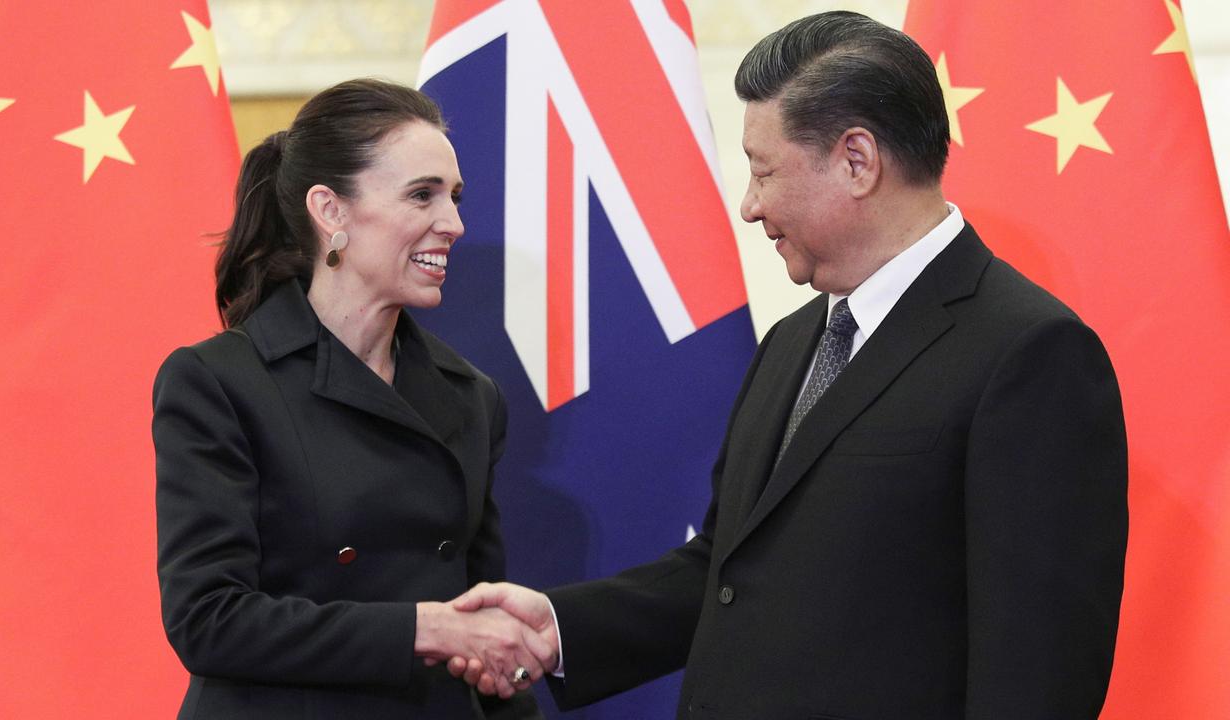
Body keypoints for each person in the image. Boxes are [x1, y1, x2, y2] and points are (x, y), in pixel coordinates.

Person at [447, 11, 1128, 719]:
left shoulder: (1029, 353)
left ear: (857, 161)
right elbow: (728, 571)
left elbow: (1036, 672)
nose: (749, 206)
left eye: (763, 171)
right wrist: (555, 630)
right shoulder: (794, 340)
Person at [152, 78, 552, 719]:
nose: (453, 224)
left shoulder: (472, 397)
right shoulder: (218, 381)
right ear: (330, 211)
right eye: (422, 195)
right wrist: (425, 629)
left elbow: (480, 619)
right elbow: (209, 618)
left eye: (454, 197)